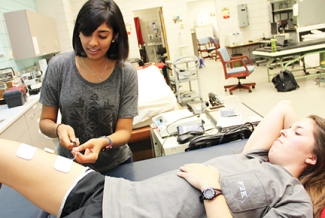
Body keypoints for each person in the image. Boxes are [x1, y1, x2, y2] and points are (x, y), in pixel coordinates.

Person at [1, 100, 325, 217]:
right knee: (6, 154)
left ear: (312, 157)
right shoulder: (257, 157)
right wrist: (303, 133)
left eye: (296, 134)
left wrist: (211, 189)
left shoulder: (293, 199)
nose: (284, 131)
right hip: (110, 192)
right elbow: (283, 107)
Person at [39, 0, 138, 173]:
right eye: (86, 33)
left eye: (102, 35)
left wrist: (103, 142)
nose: (92, 43)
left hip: (116, 165)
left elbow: (124, 131)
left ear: (115, 36)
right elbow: (45, 122)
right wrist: (59, 128)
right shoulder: (58, 66)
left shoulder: (126, 73)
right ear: (78, 31)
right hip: (70, 166)